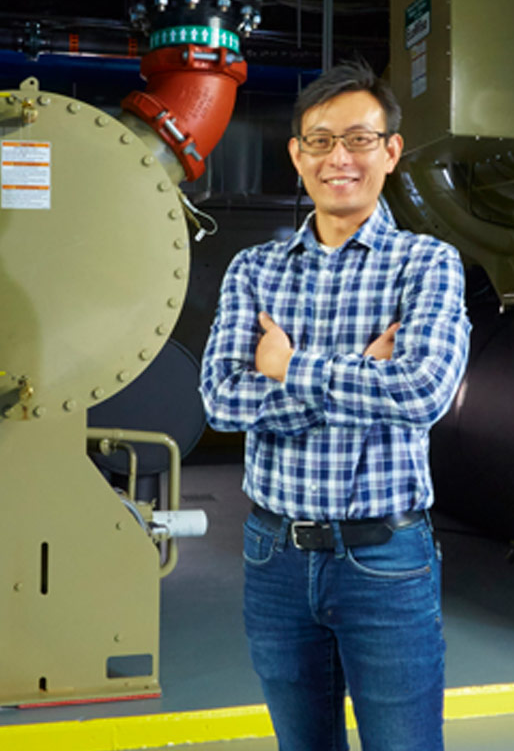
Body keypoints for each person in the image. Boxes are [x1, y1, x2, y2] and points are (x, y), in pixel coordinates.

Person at [199, 58, 471, 751]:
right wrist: (358, 375)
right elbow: (223, 399)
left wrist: (291, 368)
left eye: (358, 139)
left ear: (390, 151)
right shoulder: (254, 270)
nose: (338, 158)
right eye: (320, 141)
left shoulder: (427, 263)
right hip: (274, 558)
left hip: (385, 558)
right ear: (296, 154)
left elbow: (421, 393)